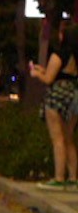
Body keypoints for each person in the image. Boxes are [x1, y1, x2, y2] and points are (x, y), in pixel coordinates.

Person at [28, 39, 76, 189]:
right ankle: (74, 178)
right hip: (73, 94)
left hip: (57, 95)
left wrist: (36, 73)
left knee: (57, 138)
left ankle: (59, 177)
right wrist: (44, 71)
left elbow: (49, 79)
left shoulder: (59, 54)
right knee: (69, 138)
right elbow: (62, 74)